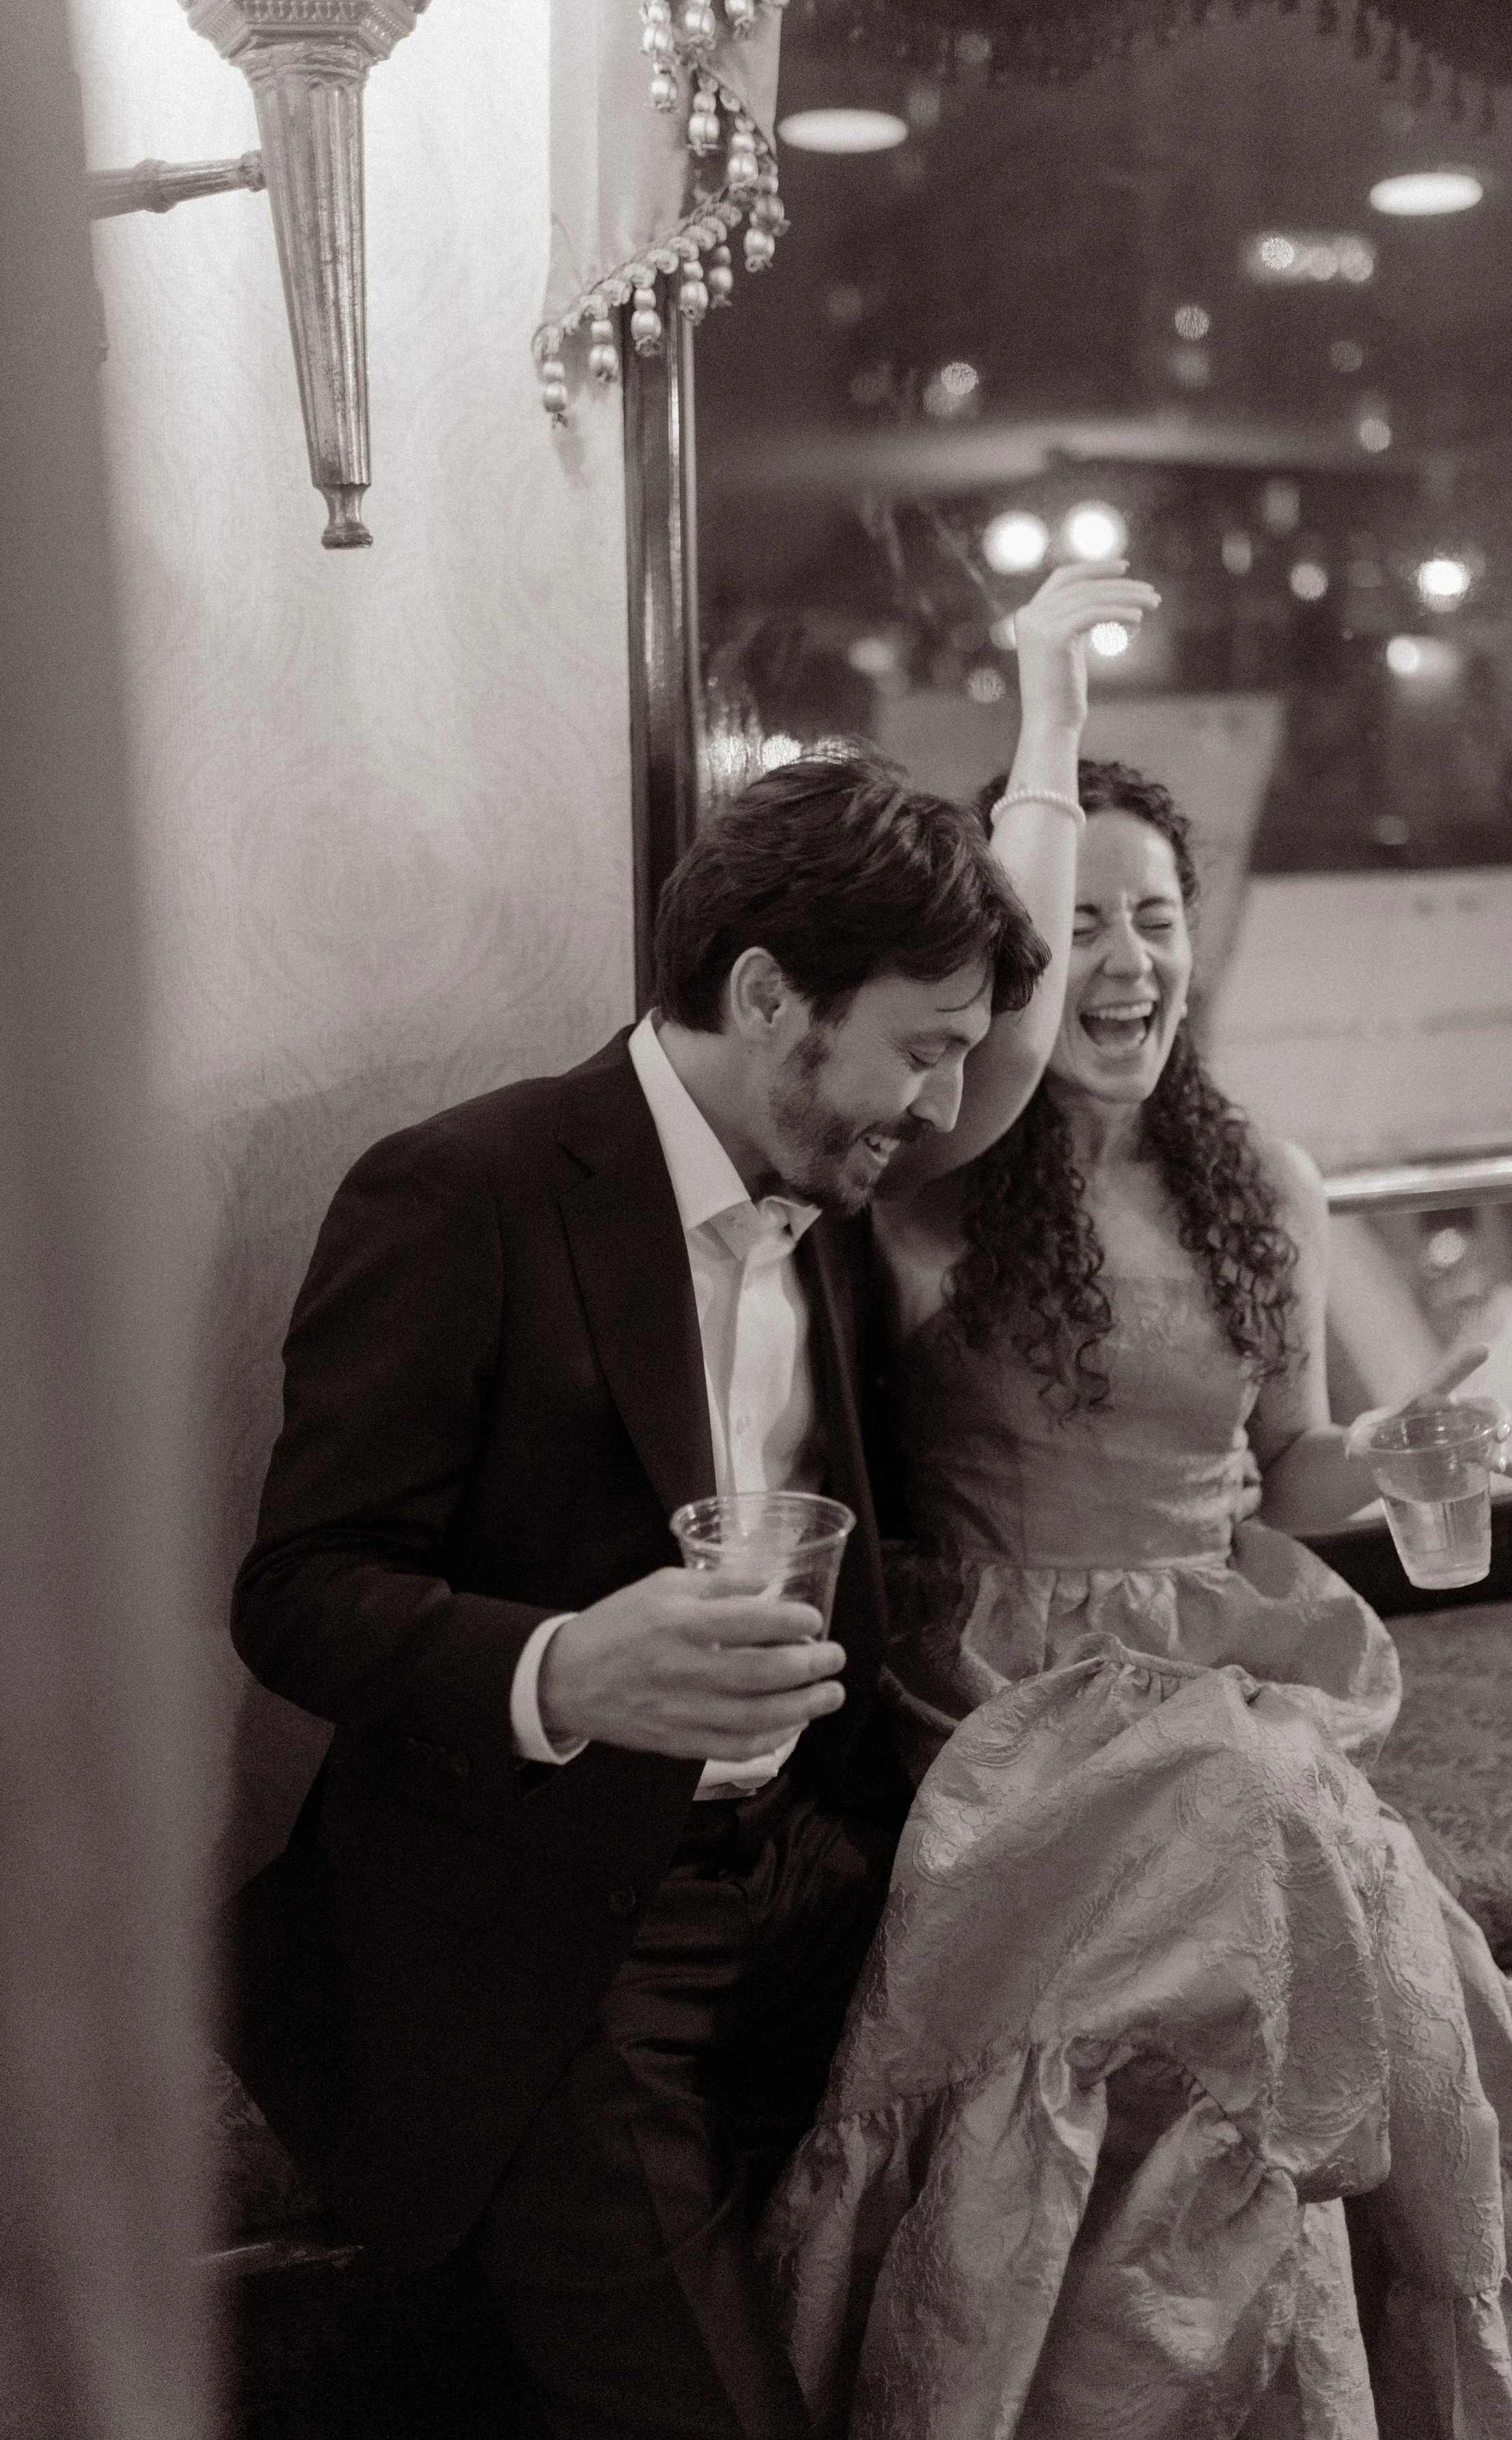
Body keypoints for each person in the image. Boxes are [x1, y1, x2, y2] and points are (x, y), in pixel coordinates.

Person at [223, 562, 1159, 2440]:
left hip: (811, 1875)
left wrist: (1042, 729)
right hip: (551, 1932)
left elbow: (998, 1053)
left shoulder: (828, 1166)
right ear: (763, 995)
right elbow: (298, 1588)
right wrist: (564, 1666)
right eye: (917, 1043)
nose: (949, 1097)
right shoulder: (464, 1193)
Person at [760, 760, 1512, 2439]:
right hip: (999, 1675)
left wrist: (1397, 1446)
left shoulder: (1265, 1178)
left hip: (1216, 1645)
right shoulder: (931, 1186)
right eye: (1080, 922)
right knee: (1271, 1826)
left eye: (1158, 919)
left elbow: (1293, 1464)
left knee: (1286, 1840)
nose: (1129, 962)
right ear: (1013, 963)